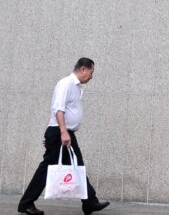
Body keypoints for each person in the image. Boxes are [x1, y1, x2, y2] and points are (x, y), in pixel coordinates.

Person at [18, 57, 110, 215]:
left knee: (78, 166)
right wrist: (61, 132)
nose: (92, 76)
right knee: (47, 167)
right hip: (61, 133)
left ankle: (90, 203)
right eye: (91, 72)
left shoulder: (75, 87)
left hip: (64, 133)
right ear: (83, 69)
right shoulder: (65, 84)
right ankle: (26, 204)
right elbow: (58, 109)